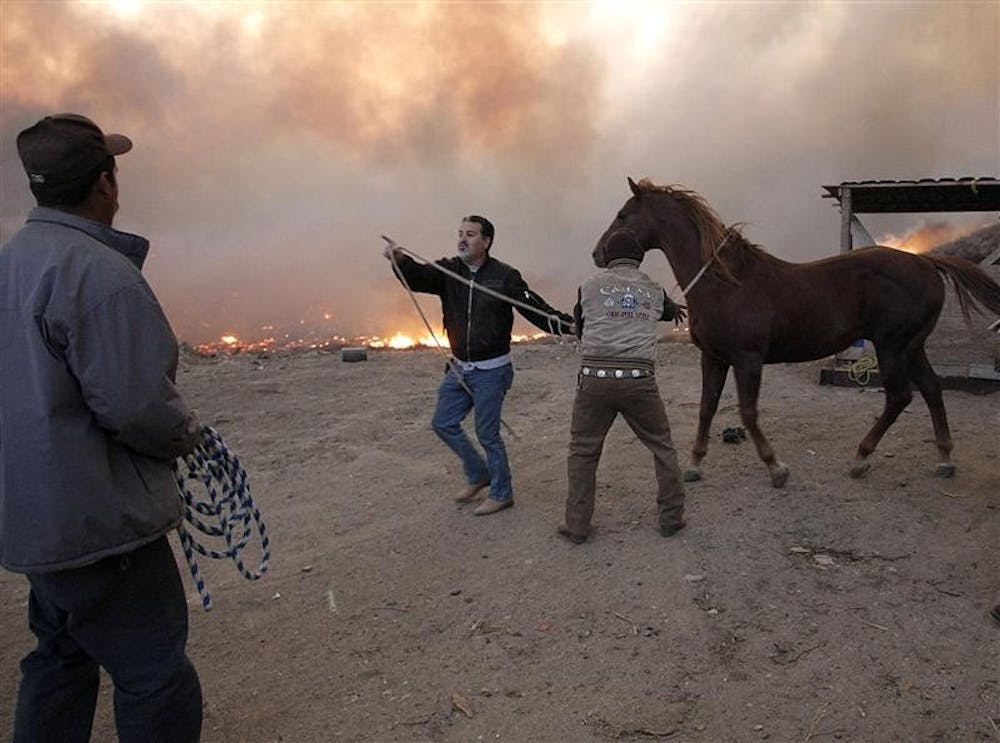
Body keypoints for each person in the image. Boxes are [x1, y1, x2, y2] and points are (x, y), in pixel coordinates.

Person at [1, 114, 203, 742]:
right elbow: (138, 407)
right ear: (105, 185)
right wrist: (188, 433)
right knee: (155, 675)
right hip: (99, 527)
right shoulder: (101, 276)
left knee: (60, 658)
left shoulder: (11, 263)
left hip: (35, 518)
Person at [383, 217, 573, 515]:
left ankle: (502, 492)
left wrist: (567, 325)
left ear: (486, 242)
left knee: (487, 434)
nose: (462, 239)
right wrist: (400, 260)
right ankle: (478, 474)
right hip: (459, 367)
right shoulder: (448, 271)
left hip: (492, 371)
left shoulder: (505, 276)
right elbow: (418, 277)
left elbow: (534, 308)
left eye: (470, 235)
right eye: (460, 233)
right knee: (443, 422)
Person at [558, 229, 688, 544]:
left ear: (607, 258)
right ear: (640, 258)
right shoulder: (654, 289)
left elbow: (581, 326)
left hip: (594, 380)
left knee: (583, 451)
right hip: (639, 381)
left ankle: (577, 526)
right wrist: (668, 309)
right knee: (662, 447)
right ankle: (671, 519)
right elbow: (670, 313)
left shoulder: (588, 286)